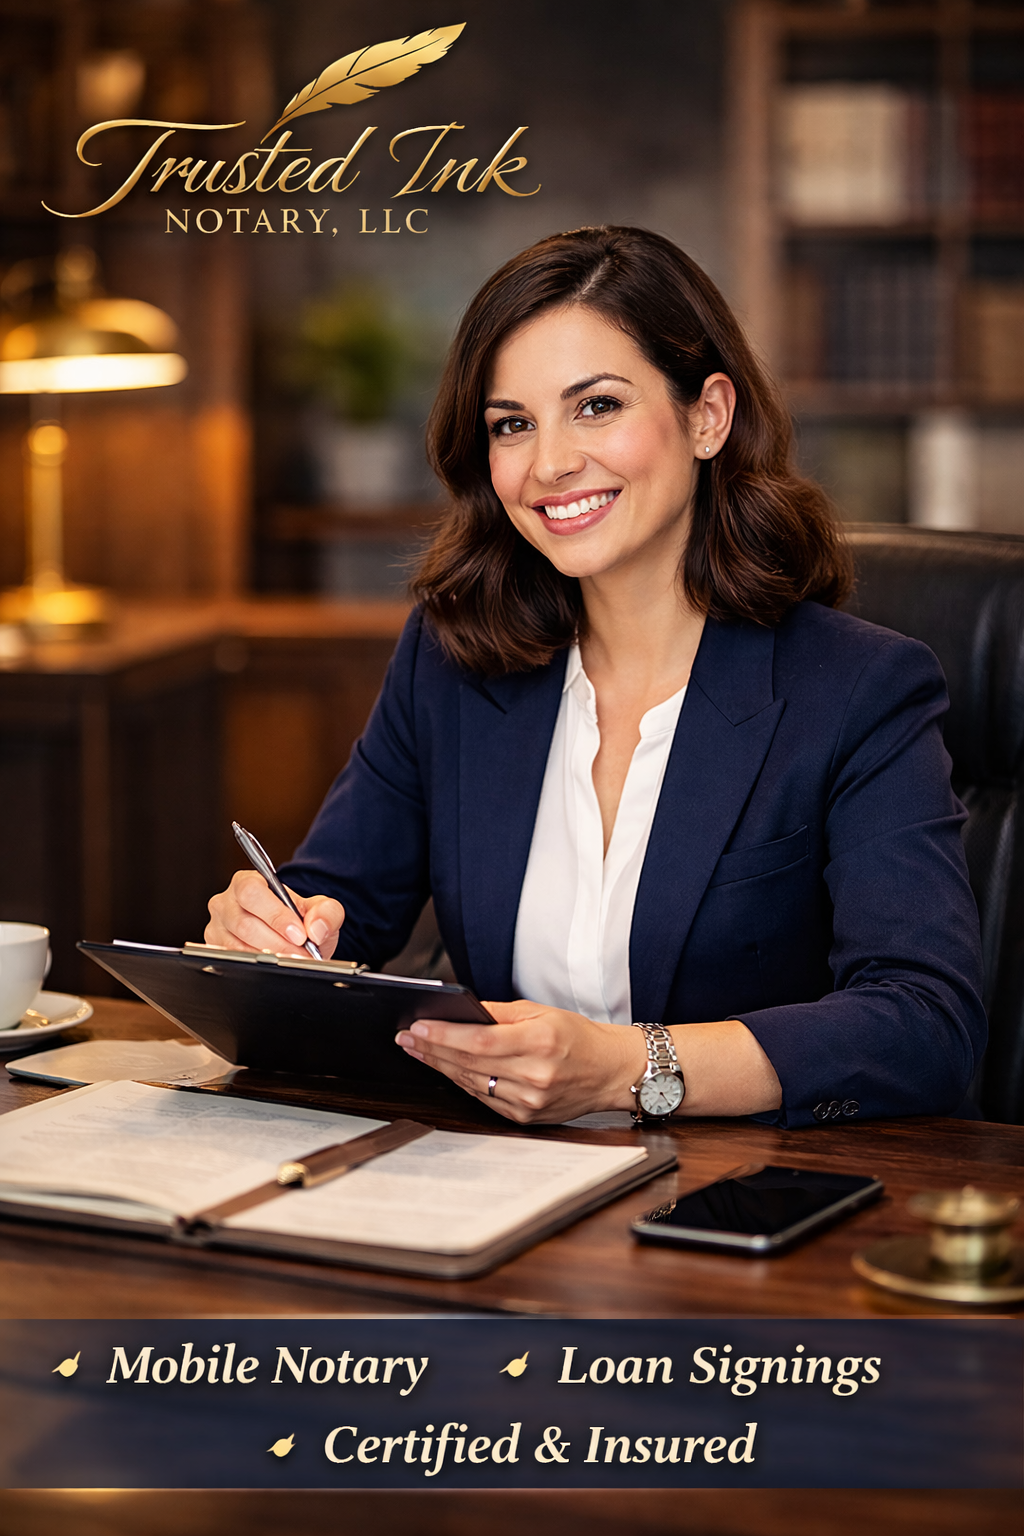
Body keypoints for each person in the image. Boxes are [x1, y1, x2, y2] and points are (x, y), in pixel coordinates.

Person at [207, 225, 986, 1128]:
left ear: (708, 416)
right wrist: (277, 930)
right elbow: (342, 902)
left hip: (741, 1205)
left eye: (597, 406)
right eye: (512, 424)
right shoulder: (454, 660)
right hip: (492, 1190)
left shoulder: (858, 689)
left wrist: (632, 1067)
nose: (549, 464)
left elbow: (924, 1024)